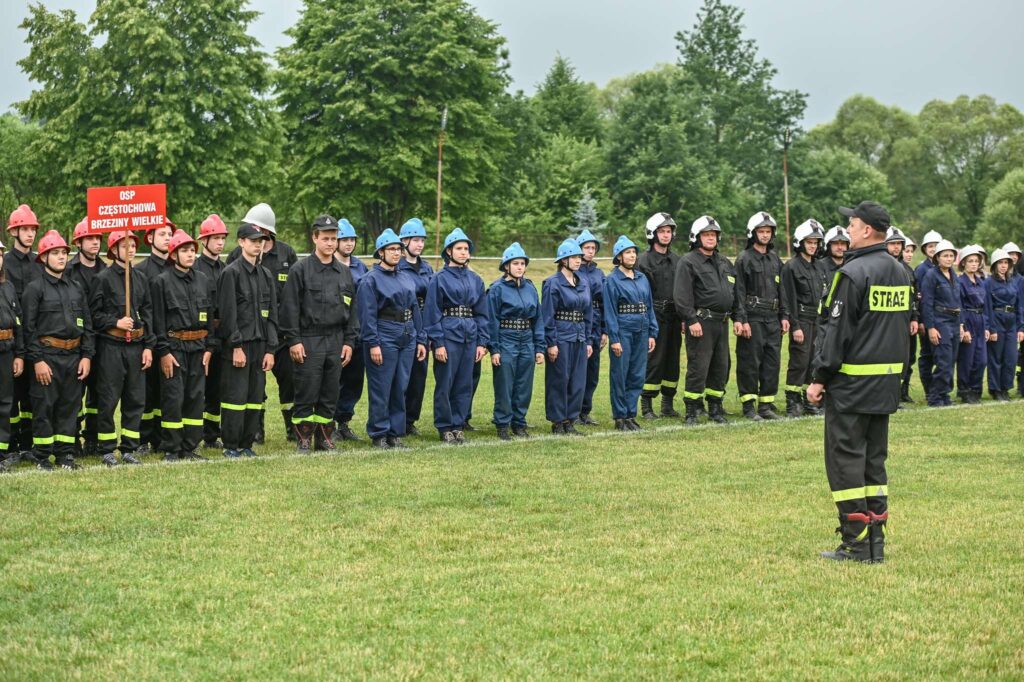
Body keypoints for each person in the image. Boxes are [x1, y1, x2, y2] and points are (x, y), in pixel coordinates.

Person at [808, 201, 911, 564]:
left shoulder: (852, 274)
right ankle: (876, 541)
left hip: (851, 387)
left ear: (868, 230)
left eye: (852, 224)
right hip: (885, 385)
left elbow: (837, 334)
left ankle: (856, 543)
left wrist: (820, 377)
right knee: (874, 464)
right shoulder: (901, 272)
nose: (847, 231)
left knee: (846, 463)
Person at [280, 216, 359, 452]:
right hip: (309, 339)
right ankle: (303, 438)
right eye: (325, 238)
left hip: (336, 339)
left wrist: (349, 341)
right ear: (314, 238)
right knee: (306, 390)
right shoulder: (300, 270)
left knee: (330, 392)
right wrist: (293, 340)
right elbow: (290, 308)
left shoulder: (344, 273)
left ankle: (324, 438)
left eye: (334, 239)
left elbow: (352, 310)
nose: (330, 243)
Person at [21, 230, 94, 470]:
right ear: (43, 258)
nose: (62, 257)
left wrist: (86, 356)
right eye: (55, 253)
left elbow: (88, 326)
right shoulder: (34, 289)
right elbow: (28, 329)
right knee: (44, 407)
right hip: (47, 356)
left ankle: (65, 455)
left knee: (69, 407)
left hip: (73, 356)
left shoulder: (76, 288)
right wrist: (37, 360)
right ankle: (42, 456)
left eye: (63, 252)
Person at [227, 203, 297, 444]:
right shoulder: (236, 259)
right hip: (250, 333)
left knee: (288, 381)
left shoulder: (287, 254)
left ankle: (291, 426)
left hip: (279, 332)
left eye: (259, 231)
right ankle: (255, 430)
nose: (256, 239)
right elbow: (231, 302)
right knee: (254, 386)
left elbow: (293, 296)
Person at [151, 230, 216, 462]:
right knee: (173, 398)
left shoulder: (203, 281)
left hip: (198, 349)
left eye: (192, 250)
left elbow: (209, 319)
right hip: (175, 349)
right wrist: (164, 352)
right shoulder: (161, 282)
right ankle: (172, 447)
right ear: (173, 254)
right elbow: (157, 321)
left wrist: (209, 348)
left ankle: (190, 446)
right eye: (184, 250)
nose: (190, 254)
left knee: (195, 398)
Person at [90, 231, 153, 467]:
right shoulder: (102, 279)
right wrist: (115, 322)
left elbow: (148, 315)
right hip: (112, 347)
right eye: (124, 245)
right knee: (108, 398)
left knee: (135, 398)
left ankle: (129, 448)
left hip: (136, 347)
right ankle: (107, 448)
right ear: (114, 250)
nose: (131, 249)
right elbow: (94, 315)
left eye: (133, 245)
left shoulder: (140, 278)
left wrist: (148, 346)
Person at [358, 229, 426, 449]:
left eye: (398, 249)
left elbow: (415, 308)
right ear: (381, 253)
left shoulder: (405, 276)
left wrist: (420, 338)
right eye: (391, 249)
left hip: (407, 333)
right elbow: (367, 316)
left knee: (400, 385)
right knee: (381, 386)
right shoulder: (370, 280)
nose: (396, 253)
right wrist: (373, 343)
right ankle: (379, 433)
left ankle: (395, 433)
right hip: (384, 332)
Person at [217, 224, 277, 458]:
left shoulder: (266, 276)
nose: (257, 244)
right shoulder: (231, 273)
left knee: (255, 397)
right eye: (252, 240)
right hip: (239, 347)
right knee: (235, 397)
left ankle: (246, 444)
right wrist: (236, 346)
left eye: (260, 240)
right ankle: (231, 445)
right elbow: (228, 314)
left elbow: (272, 314)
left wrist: (271, 349)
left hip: (261, 346)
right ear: (241, 242)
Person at [424, 228, 488, 444]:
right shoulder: (438, 279)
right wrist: (438, 343)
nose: (463, 252)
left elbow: (482, 313)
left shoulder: (476, 280)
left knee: (464, 382)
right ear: (449, 251)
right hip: (448, 334)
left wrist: (482, 342)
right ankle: (444, 426)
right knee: (446, 382)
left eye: (466, 249)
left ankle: (458, 424)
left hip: (469, 334)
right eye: (459, 248)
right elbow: (431, 313)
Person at [673, 215, 736, 426]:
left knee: (721, 366)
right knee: (698, 366)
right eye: (706, 235)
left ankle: (715, 408)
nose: (711, 238)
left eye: (714, 235)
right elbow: (682, 295)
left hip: (722, 323)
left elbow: (734, 292)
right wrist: (691, 319)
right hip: (701, 322)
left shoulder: (724, 262)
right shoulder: (688, 262)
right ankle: (692, 409)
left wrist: (739, 317)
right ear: (696, 237)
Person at [734, 212, 788, 421]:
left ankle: (766, 405)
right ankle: (749, 406)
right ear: (752, 233)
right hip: (753, 318)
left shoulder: (775, 259)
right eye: (761, 231)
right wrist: (742, 319)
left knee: (772, 362)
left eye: (768, 232)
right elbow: (738, 291)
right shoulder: (744, 259)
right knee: (750, 362)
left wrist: (784, 315)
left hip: (773, 318)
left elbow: (782, 290)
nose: (765, 235)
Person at [487, 242, 544, 440]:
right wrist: (494, 349)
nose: (520, 267)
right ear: (506, 266)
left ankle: (519, 422)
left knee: (524, 384)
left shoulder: (530, 288)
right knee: (505, 384)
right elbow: (491, 320)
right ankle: (502, 423)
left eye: (522, 263)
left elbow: (537, 319)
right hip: (506, 339)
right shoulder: (496, 289)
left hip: (527, 338)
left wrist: (539, 347)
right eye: (515, 263)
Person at [603, 236, 658, 431]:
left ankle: (630, 414)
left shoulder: (642, 278)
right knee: (620, 374)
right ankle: (620, 417)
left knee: (637, 374)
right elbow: (609, 311)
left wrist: (652, 332)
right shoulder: (611, 281)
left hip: (642, 331)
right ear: (619, 256)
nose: (632, 255)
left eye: (634, 252)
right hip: (623, 330)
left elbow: (649, 306)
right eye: (628, 252)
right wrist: (615, 339)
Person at [542, 239, 594, 435]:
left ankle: (570, 420)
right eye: (573, 257)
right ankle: (558, 421)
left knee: (578, 381)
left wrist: (588, 340)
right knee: (559, 379)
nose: (578, 260)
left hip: (580, 337)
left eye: (579, 257)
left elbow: (588, 314)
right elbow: (547, 316)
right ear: (563, 260)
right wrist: (551, 343)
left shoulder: (583, 283)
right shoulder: (552, 284)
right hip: (561, 337)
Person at [67, 217, 107, 455]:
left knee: (99, 394)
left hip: (103, 340)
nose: (94, 243)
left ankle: (92, 438)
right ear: (79, 243)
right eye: (89, 238)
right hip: (77, 341)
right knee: (74, 394)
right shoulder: (69, 270)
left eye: (97, 238)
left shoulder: (106, 270)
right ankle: (72, 439)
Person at [637, 213, 682, 419]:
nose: (666, 235)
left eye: (669, 231)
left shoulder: (678, 261)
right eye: (662, 231)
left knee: (672, 361)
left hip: (675, 316)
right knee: (653, 360)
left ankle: (667, 404)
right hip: (653, 316)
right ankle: (646, 406)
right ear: (652, 234)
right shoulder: (643, 261)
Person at [782, 220, 828, 418]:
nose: (813, 246)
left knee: (813, 361)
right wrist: (795, 326)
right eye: (809, 242)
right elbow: (788, 298)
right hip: (800, 318)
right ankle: (792, 402)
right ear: (800, 243)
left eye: (816, 242)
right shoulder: (791, 267)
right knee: (799, 361)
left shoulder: (819, 266)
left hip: (816, 319)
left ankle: (808, 400)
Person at [5, 205, 41, 459]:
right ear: (14, 231)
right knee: (11, 395)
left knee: (32, 394)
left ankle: (28, 444)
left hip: (37, 337)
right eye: (25, 229)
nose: (30, 234)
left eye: (32, 229)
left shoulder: (40, 262)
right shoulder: (4, 263)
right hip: (14, 339)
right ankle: (11, 444)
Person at [135, 220, 174, 454]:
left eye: (170, 234)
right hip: (148, 340)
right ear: (150, 238)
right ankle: (143, 438)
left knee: (166, 392)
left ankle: (162, 437)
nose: (167, 238)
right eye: (162, 234)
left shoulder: (176, 267)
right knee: (145, 392)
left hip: (170, 340)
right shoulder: (140, 270)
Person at [333, 219, 369, 442]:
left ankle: (344, 422)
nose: (349, 244)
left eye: (352, 240)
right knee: (333, 379)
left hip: (357, 332)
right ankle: (328, 423)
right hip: (335, 332)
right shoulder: (329, 265)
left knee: (354, 380)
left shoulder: (360, 267)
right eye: (344, 239)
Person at [194, 214, 228, 449]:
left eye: (222, 238)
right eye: (214, 238)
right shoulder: (195, 268)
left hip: (222, 336)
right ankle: (194, 433)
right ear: (204, 241)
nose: (220, 243)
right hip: (203, 335)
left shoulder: (226, 268)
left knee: (217, 387)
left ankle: (211, 435)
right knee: (198, 388)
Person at [397, 218, 433, 436]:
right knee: (401, 376)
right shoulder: (398, 267)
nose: (419, 245)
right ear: (404, 242)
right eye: (416, 240)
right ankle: (397, 419)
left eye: (422, 240)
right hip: (404, 322)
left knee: (419, 376)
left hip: (424, 323)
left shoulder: (427, 268)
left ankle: (410, 420)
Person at [920, 240, 965, 407]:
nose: (948, 258)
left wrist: (961, 324)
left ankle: (945, 394)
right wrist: (931, 327)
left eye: (951, 255)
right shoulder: (931, 275)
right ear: (937, 257)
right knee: (943, 361)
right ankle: (935, 397)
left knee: (951, 360)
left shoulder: (955, 275)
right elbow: (927, 303)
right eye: (945, 255)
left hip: (954, 320)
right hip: (940, 320)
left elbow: (959, 301)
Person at [575, 229, 606, 425]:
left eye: (593, 248)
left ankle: (585, 411)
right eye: (587, 247)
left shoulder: (599, 273)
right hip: (578, 324)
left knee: (592, 373)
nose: (590, 251)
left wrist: (605, 330)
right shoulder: (572, 271)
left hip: (596, 324)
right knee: (578, 371)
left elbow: (605, 303)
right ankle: (573, 411)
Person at [984, 249, 1022, 401]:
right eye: (1000, 262)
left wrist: (1021, 327)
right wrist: (991, 328)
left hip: (1011, 321)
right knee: (996, 357)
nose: (1004, 266)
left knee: (1011, 358)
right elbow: (987, 306)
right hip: (997, 319)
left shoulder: (1013, 282)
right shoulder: (988, 283)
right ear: (994, 265)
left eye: (1006, 262)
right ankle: (996, 389)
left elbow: (1019, 305)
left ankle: (1006, 387)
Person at [0, 238, 24, 472]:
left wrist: (19, 354)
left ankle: (1, 451)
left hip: (7, 350)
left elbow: (19, 322)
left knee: (5, 403)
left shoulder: (8, 287)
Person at [955, 245, 989, 403]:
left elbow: (986, 305)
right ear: (963, 263)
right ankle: (964, 390)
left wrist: (987, 326)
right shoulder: (960, 282)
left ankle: (976, 389)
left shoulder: (981, 282)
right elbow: (959, 305)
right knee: (966, 359)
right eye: (970, 261)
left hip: (980, 320)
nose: (974, 264)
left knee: (981, 359)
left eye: (976, 261)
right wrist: (964, 328)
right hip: (968, 318)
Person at [915, 230, 944, 397]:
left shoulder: (943, 269)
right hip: (927, 318)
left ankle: (938, 388)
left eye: (936, 246)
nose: (933, 249)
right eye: (930, 246)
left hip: (942, 318)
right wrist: (920, 320)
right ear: (925, 249)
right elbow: (919, 297)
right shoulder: (921, 269)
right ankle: (928, 389)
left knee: (940, 356)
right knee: (927, 355)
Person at [896, 231, 920, 403]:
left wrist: (914, 318)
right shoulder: (893, 268)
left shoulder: (909, 271)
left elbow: (913, 298)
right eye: (907, 250)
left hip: (908, 319)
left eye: (911, 250)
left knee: (909, 357)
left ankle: (904, 390)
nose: (909, 254)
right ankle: (895, 392)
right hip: (895, 321)